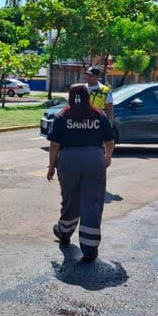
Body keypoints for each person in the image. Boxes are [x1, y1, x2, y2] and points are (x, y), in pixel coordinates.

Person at [46, 83, 115, 262]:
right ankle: (90, 248)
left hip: (68, 161)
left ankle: (64, 231)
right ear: (88, 96)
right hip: (94, 160)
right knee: (92, 202)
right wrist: (107, 157)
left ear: (70, 96)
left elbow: (54, 145)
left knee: (70, 198)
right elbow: (109, 140)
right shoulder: (99, 115)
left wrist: (51, 166)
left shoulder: (62, 116)